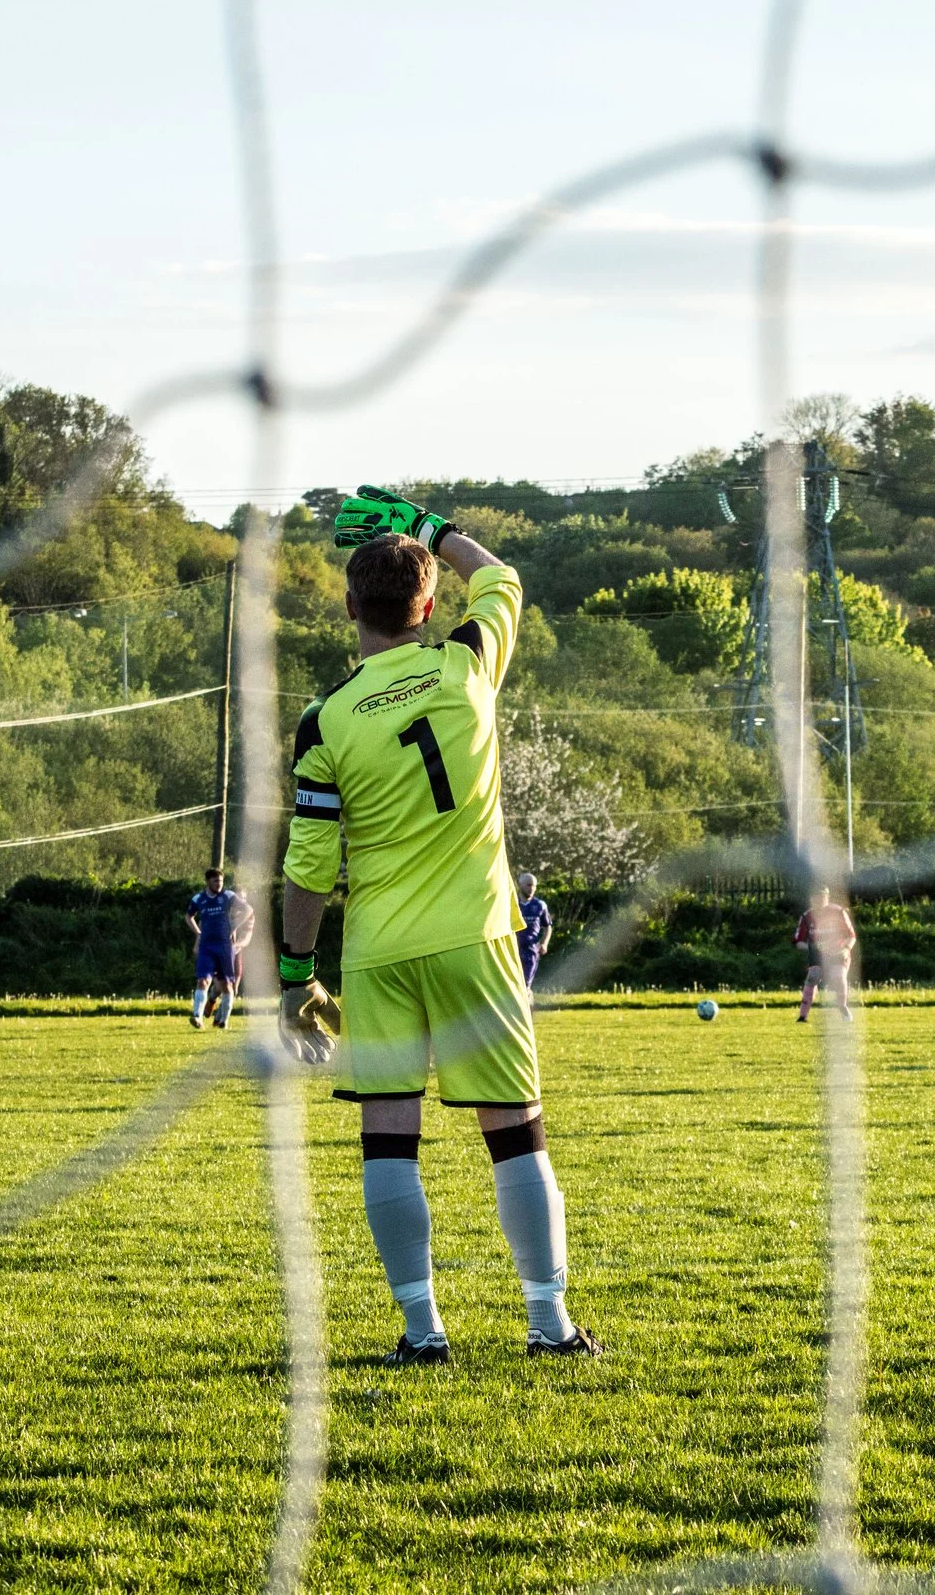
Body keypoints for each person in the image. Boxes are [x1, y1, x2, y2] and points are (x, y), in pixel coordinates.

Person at [278, 491, 601, 1365]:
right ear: (427, 608)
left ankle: (423, 1335)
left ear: (350, 608)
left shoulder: (324, 721)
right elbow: (499, 576)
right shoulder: (467, 665)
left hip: (381, 952)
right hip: (480, 937)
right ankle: (550, 1327)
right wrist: (431, 530)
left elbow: (308, 869)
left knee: (389, 1137)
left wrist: (295, 975)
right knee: (515, 1132)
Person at [185, 867, 253, 1029]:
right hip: (207, 947)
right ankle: (197, 1016)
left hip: (225, 947)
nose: (219, 884)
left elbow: (248, 910)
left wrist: (234, 927)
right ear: (208, 881)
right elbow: (189, 916)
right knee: (203, 980)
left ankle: (223, 1021)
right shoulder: (199, 899)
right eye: (216, 881)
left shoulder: (228, 897)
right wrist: (198, 934)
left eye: (221, 881)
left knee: (226, 985)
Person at [795, 887, 857, 1022]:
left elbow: (851, 936)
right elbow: (799, 942)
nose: (818, 901)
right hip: (817, 955)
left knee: (838, 977)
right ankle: (803, 1016)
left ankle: (843, 1008)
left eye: (821, 897)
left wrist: (846, 949)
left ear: (827, 898)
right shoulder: (807, 916)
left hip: (838, 953)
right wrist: (815, 948)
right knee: (812, 979)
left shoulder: (838, 912)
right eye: (815, 898)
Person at [514, 872, 553, 987]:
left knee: (526, 985)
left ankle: (527, 1003)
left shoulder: (540, 905)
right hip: (514, 949)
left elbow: (547, 927)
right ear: (520, 885)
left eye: (534, 886)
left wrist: (544, 943)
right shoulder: (512, 904)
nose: (532, 888)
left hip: (531, 950)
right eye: (528, 885)